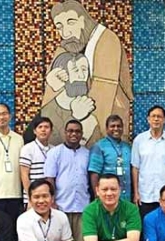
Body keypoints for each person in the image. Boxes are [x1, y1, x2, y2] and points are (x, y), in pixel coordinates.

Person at [43, 0, 132, 144]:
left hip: (104, 127)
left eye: (71, 22)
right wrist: (52, 85)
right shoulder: (68, 44)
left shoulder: (106, 40)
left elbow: (104, 95)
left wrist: (82, 120)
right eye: (59, 27)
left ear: (84, 20)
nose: (65, 32)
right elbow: (48, 103)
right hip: (69, 129)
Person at [44, 119, 90, 241]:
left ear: (81, 134)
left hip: (83, 205)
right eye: (70, 131)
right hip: (61, 205)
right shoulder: (55, 153)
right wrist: (52, 201)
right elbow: (49, 179)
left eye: (77, 131)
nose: (73, 134)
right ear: (65, 133)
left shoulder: (87, 153)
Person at [131, 105, 165, 221]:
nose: (156, 119)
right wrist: (136, 193)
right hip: (145, 194)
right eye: (153, 116)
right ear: (148, 119)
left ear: (164, 119)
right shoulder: (139, 140)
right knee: (147, 226)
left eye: (159, 116)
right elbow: (135, 168)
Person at [41, 52, 100, 146]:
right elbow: (53, 145)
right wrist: (75, 117)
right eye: (75, 70)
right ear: (61, 75)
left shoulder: (90, 109)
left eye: (84, 70)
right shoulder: (47, 112)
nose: (81, 76)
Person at [88, 114, 132, 202]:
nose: (116, 129)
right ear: (107, 128)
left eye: (119, 126)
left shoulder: (128, 147)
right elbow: (94, 173)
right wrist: (97, 195)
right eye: (112, 126)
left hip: (126, 197)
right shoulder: (99, 146)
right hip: (107, 197)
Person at [19, 116, 54, 209]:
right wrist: (30, 197)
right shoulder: (28, 149)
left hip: (48, 197)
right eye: (40, 127)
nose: (43, 130)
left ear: (51, 131)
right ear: (34, 131)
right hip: (33, 198)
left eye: (46, 127)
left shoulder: (54, 150)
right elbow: (24, 175)